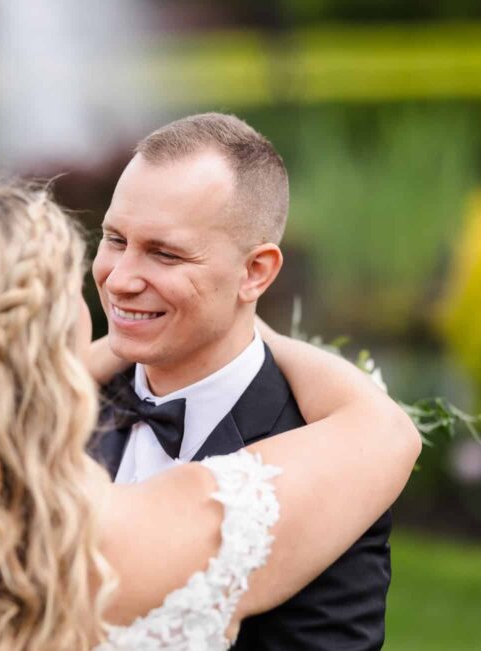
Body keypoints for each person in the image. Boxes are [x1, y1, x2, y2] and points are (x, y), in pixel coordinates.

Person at [0, 181, 420, 651]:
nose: (114, 287)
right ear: (55, 342)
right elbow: (382, 430)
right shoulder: (160, 534)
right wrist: (244, 316)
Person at [90, 112, 396, 650]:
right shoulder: (56, 409)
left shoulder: (328, 465)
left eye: (165, 253)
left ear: (255, 272)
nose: (119, 279)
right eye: (115, 239)